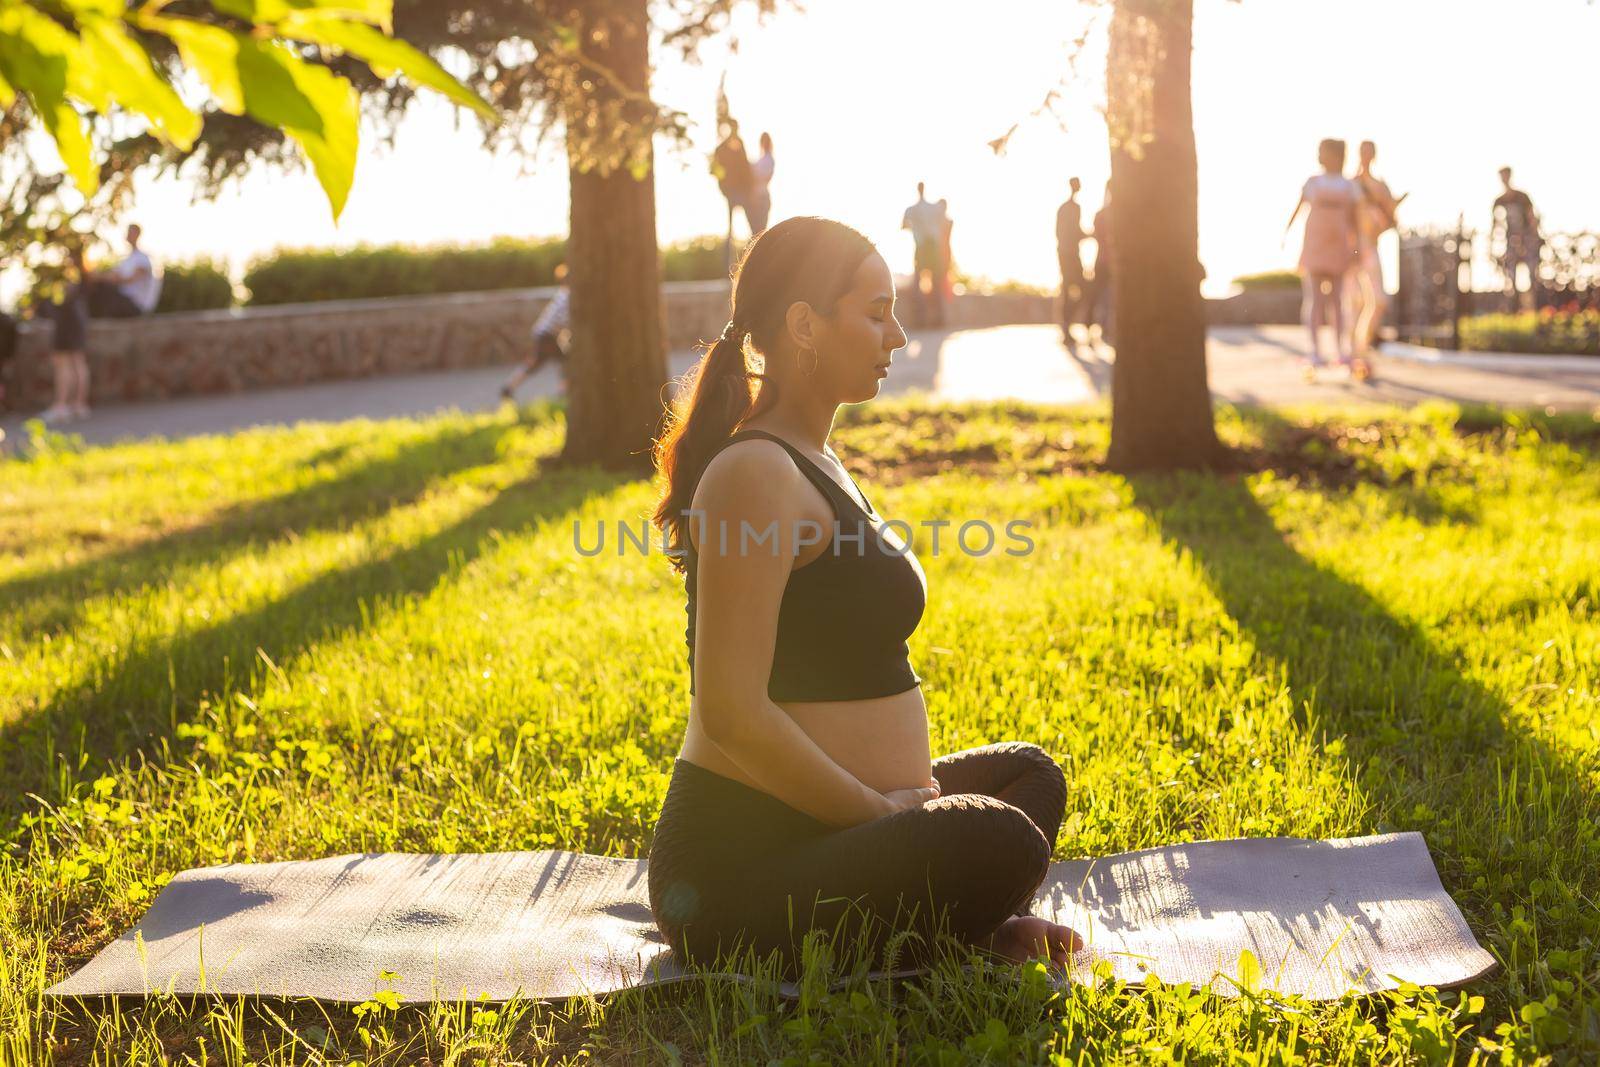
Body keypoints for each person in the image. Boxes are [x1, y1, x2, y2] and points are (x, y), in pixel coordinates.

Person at [646, 216, 1079, 978]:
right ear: (805, 325)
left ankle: (964, 919)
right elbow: (730, 713)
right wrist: (881, 814)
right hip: (737, 866)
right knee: (1002, 840)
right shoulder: (756, 474)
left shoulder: (818, 459)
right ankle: (965, 919)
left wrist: (892, 807)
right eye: (877, 313)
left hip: (836, 829)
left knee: (1030, 777)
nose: (900, 336)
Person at [1285, 139, 1361, 377]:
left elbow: (1354, 221)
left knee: (1338, 301)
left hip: (1338, 245)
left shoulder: (1349, 186)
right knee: (1315, 299)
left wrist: (1356, 249)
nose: (1320, 156)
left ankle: (1341, 350)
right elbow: (1298, 209)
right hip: (1315, 244)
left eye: (1323, 152)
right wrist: (1286, 233)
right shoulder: (1313, 183)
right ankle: (1315, 350)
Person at [1346, 141, 1405, 380]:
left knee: (1378, 301)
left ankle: (1361, 347)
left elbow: (1393, 220)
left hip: (1370, 248)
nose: (1366, 156)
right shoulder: (1350, 185)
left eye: (1370, 152)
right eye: (1363, 152)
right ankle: (1355, 358)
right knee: (1353, 303)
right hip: (1350, 251)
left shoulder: (1380, 186)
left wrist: (1382, 220)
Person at [500, 263, 570, 402]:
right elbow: (564, 321)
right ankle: (563, 393)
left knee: (538, 362)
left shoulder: (563, 293)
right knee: (565, 362)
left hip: (545, 333)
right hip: (548, 334)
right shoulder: (568, 296)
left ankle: (509, 387)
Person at [40, 245, 93, 424]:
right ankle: (78, 405)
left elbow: (62, 297)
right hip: (78, 320)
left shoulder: (70, 275)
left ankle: (61, 406)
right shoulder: (85, 274)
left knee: (63, 363)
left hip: (67, 321)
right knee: (78, 361)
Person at [85, 224, 161, 318]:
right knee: (99, 287)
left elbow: (130, 279)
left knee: (105, 289)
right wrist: (97, 277)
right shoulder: (128, 259)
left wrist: (104, 278)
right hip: (125, 302)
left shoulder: (143, 258)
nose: (127, 235)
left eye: (130, 232)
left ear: (137, 234)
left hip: (137, 306)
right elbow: (113, 275)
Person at [1493, 167, 1541, 312]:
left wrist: (1532, 238)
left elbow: (1532, 218)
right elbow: (1495, 223)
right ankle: (1514, 308)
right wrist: (1494, 242)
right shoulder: (1499, 201)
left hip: (1527, 240)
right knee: (1510, 274)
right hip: (1510, 241)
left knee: (1532, 273)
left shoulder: (1522, 197)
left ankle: (1534, 307)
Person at [901, 184, 949, 327]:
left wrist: (917, 227)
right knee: (936, 282)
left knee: (917, 283)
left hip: (922, 247)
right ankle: (938, 320)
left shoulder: (911, 210)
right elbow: (945, 223)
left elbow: (903, 226)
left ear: (917, 189)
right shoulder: (934, 208)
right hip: (933, 247)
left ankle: (920, 320)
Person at [1056, 177, 1087, 340]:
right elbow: (1069, 232)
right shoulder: (1071, 208)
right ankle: (1065, 325)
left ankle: (1066, 324)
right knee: (1072, 288)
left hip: (1069, 253)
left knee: (1073, 289)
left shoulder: (1069, 208)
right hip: (1068, 254)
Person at [1087, 182, 1115, 347]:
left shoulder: (1101, 215)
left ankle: (1098, 329)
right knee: (1102, 297)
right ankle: (1098, 329)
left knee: (1099, 298)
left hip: (1102, 261)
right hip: (1106, 262)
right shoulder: (1112, 214)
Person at [746, 132, 775, 235]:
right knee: (755, 232)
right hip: (756, 198)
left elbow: (763, 177)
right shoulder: (762, 160)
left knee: (759, 233)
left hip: (761, 198)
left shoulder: (769, 159)